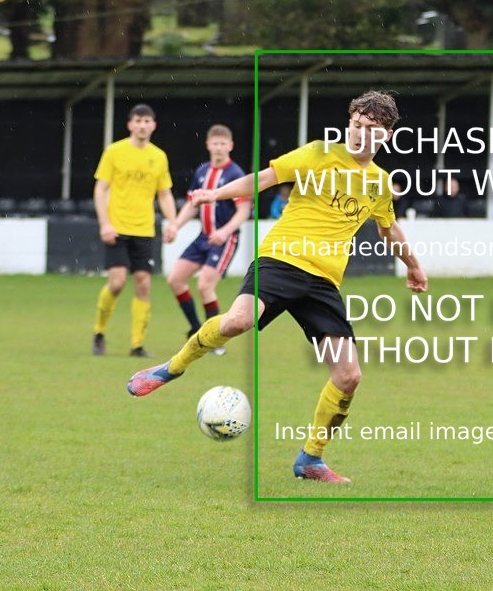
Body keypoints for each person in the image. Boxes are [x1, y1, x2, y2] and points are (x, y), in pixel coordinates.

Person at [127, 91, 429, 484]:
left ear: (386, 136)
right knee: (238, 321)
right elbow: (264, 180)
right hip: (282, 259)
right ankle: (172, 367)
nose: (358, 134)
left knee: (349, 376)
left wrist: (414, 266)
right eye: (355, 124)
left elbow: (389, 229)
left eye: (370, 130)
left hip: (323, 283)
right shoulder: (319, 154)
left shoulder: (379, 183)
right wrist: (214, 193)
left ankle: (310, 460)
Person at [92, 104, 177, 357]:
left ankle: (137, 345)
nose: (142, 125)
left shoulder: (159, 156)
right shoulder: (114, 151)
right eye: (138, 120)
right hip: (117, 227)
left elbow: (164, 193)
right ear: (130, 124)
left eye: (147, 121)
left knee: (143, 284)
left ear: (154, 125)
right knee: (117, 283)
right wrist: (105, 223)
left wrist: (172, 221)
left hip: (144, 229)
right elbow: (100, 190)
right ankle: (99, 332)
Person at [163, 124, 251, 355]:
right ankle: (195, 328)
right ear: (208, 145)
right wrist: (175, 225)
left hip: (224, 239)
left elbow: (243, 210)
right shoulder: (202, 171)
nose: (219, 148)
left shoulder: (235, 174)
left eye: (223, 144)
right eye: (215, 143)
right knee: (175, 279)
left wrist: (225, 232)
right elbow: (193, 205)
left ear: (230, 146)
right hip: (203, 237)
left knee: (204, 285)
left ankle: (216, 340)